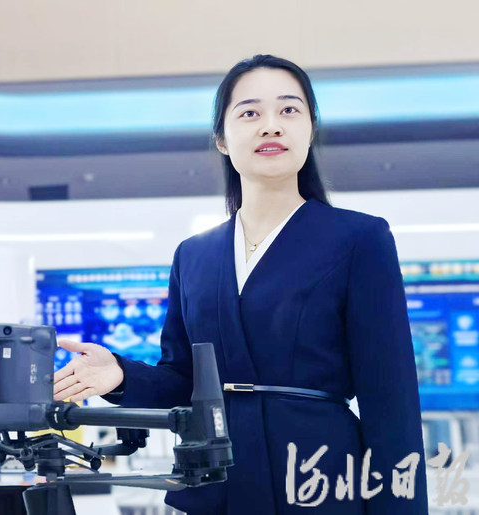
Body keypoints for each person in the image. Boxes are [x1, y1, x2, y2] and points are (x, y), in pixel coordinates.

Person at [53, 55, 428, 514]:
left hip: (318, 480)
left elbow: (391, 403)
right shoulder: (194, 255)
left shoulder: (359, 238)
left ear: (310, 129)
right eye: (250, 112)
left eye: (289, 110)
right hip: (217, 480)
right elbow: (185, 382)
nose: (271, 125)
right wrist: (121, 376)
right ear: (222, 139)